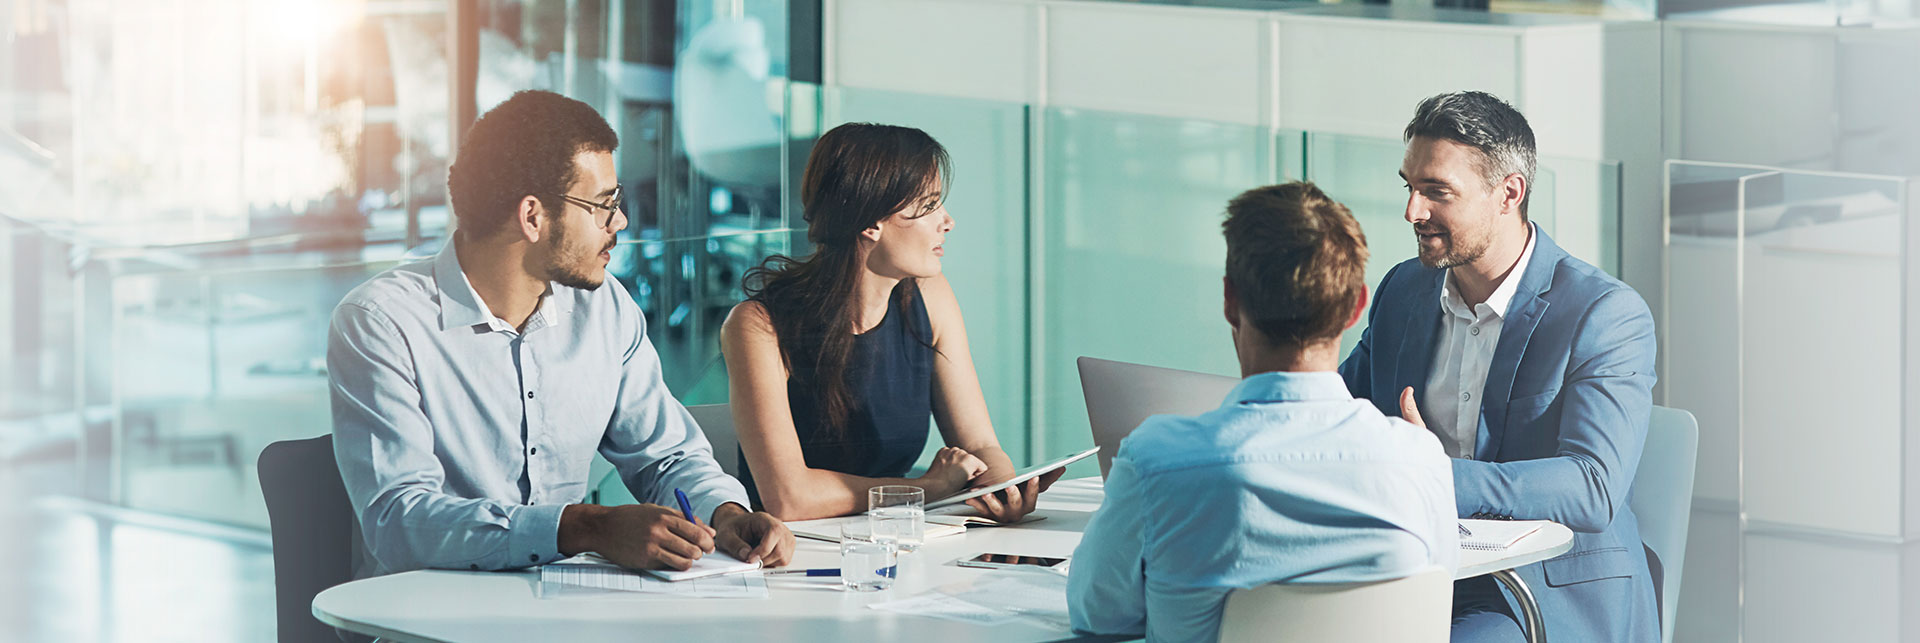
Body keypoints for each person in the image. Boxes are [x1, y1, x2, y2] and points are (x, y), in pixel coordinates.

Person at [328, 90, 793, 580]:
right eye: (604, 204)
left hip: (566, 607)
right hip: (422, 619)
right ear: (533, 216)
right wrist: (583, 527)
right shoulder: (380, 322)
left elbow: (665, 456)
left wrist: (727, 515)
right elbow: (399, 521)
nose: (621, 222)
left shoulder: (604, 306)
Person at [1068, 182, 1458, 642]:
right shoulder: (1418, 457)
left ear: (1230, 300)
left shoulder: (1156, 461)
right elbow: (1436, 594)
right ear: (1357, 306)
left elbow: (1098, 617)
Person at [1339, 91, 1660, 642]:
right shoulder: (1403, 290)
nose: (1412, 211)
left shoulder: (1603, 314)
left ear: (1508, 193)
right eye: (1409, 187)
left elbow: (1592, 486)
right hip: (1413, 566)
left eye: (1436, 192)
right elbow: (1342, 416)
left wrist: (1438, 479)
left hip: (1538, 591)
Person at [721, 122, 1057, 522]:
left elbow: (981, 444)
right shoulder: (758, 326)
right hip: (794, 557)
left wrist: (999, 490)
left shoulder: (930, 295)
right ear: (871, 223)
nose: (947, 221)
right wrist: (929, 489)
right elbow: (789, 499)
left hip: (898, 540)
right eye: (929, 205)